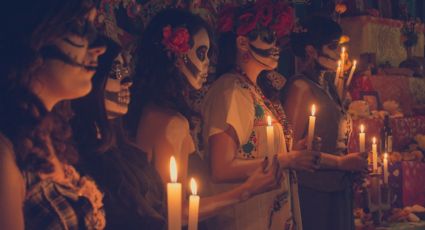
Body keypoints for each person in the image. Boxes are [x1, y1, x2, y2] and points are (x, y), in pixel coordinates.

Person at [127, 8, 282, 227]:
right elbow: (175, 212)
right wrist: (247, 190)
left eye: (208, 54)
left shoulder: (152, 110)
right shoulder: (170, 123)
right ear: (176, 55)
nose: (207, 63)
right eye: (201, 53)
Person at [201, 1, 322, 229]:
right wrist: (287, 160)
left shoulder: (256, 90)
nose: (275, 45)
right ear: (242, 42)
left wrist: (295, 152)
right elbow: (220, 168)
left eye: (276, 37)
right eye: (267, 36)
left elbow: (261, 153)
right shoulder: (231, 91)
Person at [0, 0, 106, 229]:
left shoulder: (46, 134)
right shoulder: (6, 152)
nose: (98, 48)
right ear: (34, 34)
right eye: (80, 28)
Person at [71, 37, 165, 229]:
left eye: (126, 70)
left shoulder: (129, 153)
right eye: (116, 71)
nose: (128, 82)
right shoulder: (81, 156)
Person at [283, 16, 368, 230]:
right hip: (313, 191)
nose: (339, 54)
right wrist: (339, 163)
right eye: (332, 46)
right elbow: (290, 150)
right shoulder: (300, 88)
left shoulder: (328, 86)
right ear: (311, 51)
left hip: (337, 188)